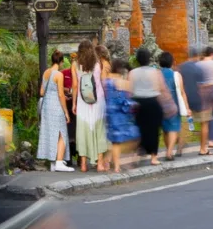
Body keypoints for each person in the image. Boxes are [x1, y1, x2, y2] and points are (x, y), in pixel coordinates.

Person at [71, 40, 108, 173]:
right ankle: (99, 164)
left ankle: (83, 165)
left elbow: (75, 86)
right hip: (98, 101)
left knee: (83, 131)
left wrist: (74, 103)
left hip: (82, 102)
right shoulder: (98, 64)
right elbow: (102, 82)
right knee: (99, 130)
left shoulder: (75, 64)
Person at [37, 50, 73, 172]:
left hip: (46, 106)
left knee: (51, 133)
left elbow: (41, 92)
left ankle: (53, 163)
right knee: (62, 133)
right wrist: (66, 112)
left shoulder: (46, 72)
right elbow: (61, 95)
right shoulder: (59, 74)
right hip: (56, 106)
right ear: (62, 61)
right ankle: (59, 162)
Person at [103, 58, 140, 173]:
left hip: (109, 112)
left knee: (115, 141)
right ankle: (116, 166)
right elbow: (127, 98)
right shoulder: (121, 81)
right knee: (127, 138)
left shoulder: (107, 81)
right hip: (120, 114)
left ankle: (110, 159)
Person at [180, 47, 212, 156]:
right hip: (198, 98)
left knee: (185, 123)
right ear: (197, 56)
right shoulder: (198, 68)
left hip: (185, 99)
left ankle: (180, 147)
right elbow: (202, 85)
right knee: (204, 123)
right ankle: (203, 149)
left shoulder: (181, 67)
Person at [159, 52, 184, 161]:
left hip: (160, 104)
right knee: (173, 128)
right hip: (173, 104)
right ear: (172, 62)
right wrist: (186, 107)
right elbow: (182, 92)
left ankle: (168, 148)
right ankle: (169, 151)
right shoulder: (176, 75)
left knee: (165, 129)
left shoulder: (157, 74)